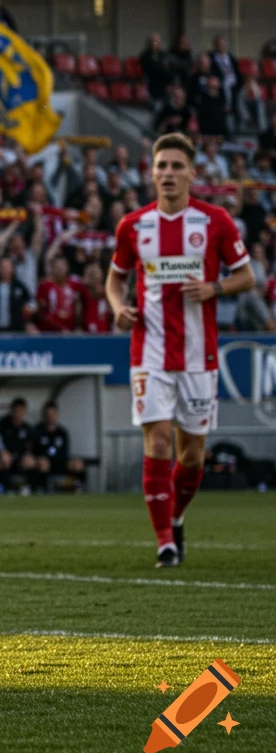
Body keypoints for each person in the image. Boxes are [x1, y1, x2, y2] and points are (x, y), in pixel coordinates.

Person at [106, 132, 254, 567]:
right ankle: (165, 542)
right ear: (151, 174)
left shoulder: (215, 222)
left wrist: (215, 287)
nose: (168, 174)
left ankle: (176, 515)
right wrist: (118, 308)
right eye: (161, 166)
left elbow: (247, 277)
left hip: (198, 355)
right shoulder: (133, 226)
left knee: (192, 453)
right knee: (157, 440)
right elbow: (115, 279)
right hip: (148, 349)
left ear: (192, 172)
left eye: (176, 166)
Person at [31, 402, 86, 491]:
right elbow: (35, 451)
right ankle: (43, 489)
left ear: (57, 414)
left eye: (52, 414)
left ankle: (78, 488)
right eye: (48, 414)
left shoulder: (62, 432)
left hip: (60, 462)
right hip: (45, 462)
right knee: (42, 464)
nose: (50, 417)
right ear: (44, 415)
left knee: (78, 464)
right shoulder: (38, 431)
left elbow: (65, 452)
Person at [0, 397, 39, 493]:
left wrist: (29, 456)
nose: (18, 413)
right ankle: (5, 489)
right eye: (16, 410)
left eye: (21, 411)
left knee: (31, 462)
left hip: (20, 458)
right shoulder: (2, 425)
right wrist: (2, 452)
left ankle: (32, 489)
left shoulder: (28, 429)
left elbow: (31, 447)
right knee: (4, 461)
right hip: (6, 457)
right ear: (12, 410)